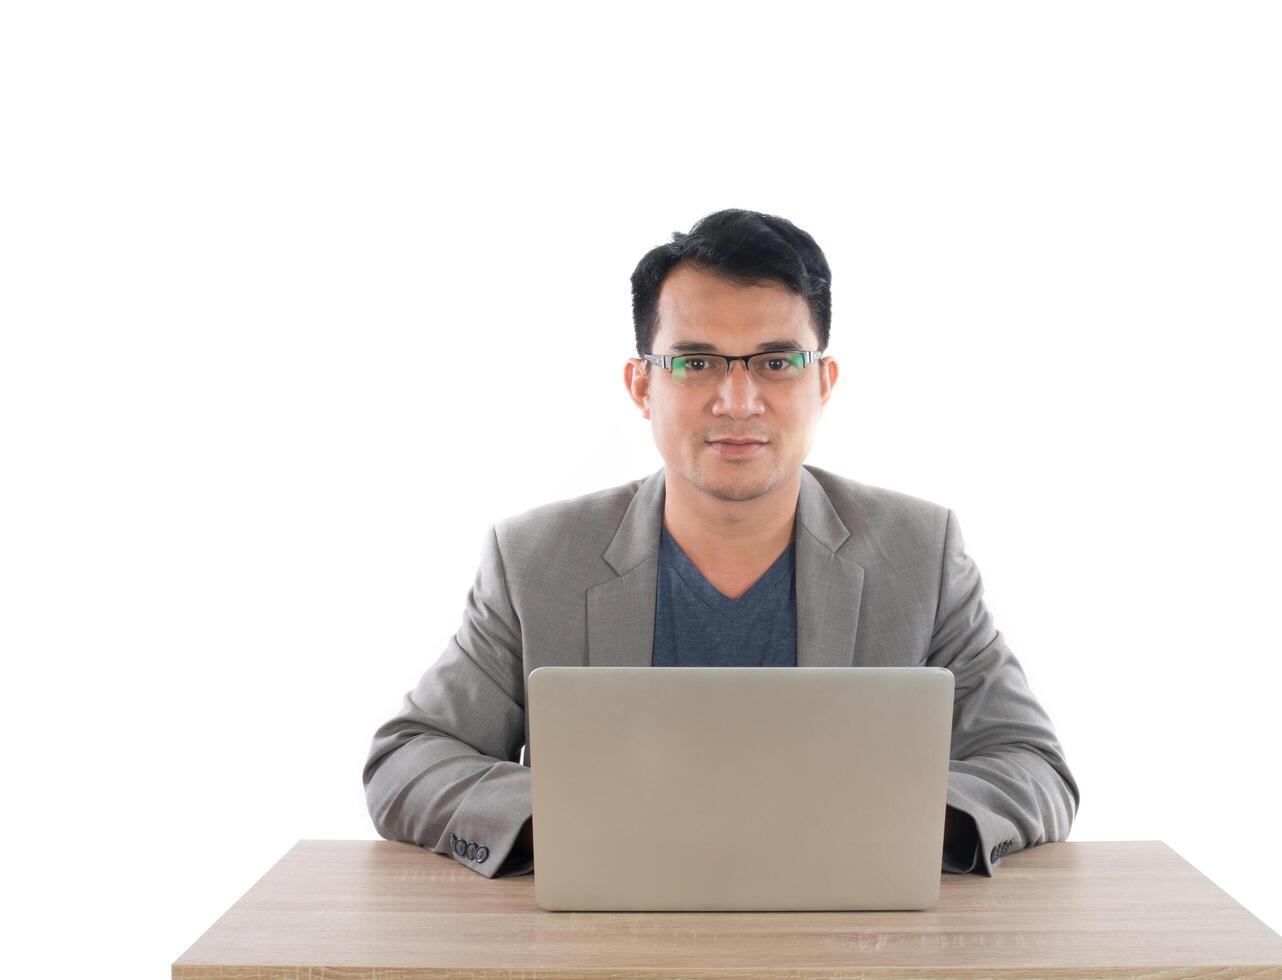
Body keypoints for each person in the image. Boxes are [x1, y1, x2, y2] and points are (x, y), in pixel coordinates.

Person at [362, 208, 1080, 879]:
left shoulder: (918, 554)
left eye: (775, 362)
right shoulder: (535, 559)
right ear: (641, 385)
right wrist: (573, 823)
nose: (737, 402)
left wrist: (882, 826)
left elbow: (1031, 765)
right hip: (603, 938)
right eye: (695, 362)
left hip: (849, 937)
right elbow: (408, 758)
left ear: (822, 381)